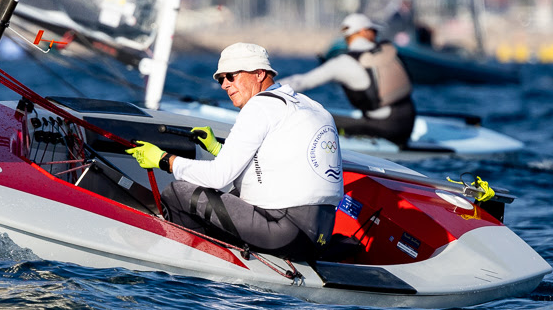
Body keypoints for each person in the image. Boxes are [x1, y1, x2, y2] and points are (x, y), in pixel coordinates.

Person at [125, 43, 343, 259]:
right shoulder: (312, 106)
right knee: (234, 193)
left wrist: (165, 160)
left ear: (259, 74)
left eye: (231, 76)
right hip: (318, 237)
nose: (224, 85)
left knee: (177, 192)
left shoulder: (259, 107)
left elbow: (218, 177)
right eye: (221, 79)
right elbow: (273, 167)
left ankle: (186, 267)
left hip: (284, 232)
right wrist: (217, 148)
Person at [278, 13, 416, 147]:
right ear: (364, 32)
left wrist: (270, 90)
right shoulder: (389, 52)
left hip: (385, 130)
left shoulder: (343, 63)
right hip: (407, 125)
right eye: (373, 30)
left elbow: (302, 82)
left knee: (316, 116)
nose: (375, 34)